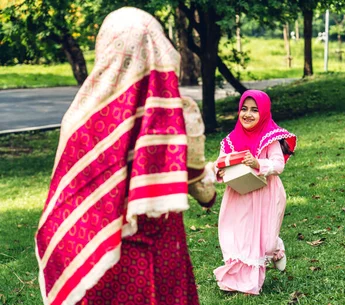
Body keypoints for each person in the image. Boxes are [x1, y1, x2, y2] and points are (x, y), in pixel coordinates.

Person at [34, 7, 215, 305]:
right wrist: (209, 190)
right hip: (164, 249)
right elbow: (199, 187)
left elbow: (69, 193)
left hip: (100, 252)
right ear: (159, 48)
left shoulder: (80, 117)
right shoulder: (179, 112)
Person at [213, 90, 297, 295]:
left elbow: (278, 164)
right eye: (244, 109)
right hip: (239, 194)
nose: (248, 114)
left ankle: (275, 247)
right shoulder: (230, 140)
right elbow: (220, 162)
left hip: (265, 194)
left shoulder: (270, 138)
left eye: (254, 110)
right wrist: (220, 170)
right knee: (237, 237)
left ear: (265, 113)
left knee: (264, 242)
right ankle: (241, 282)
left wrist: (258, 163)